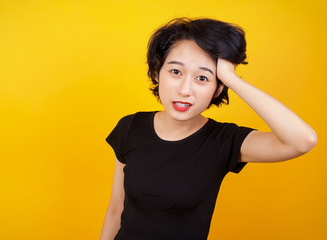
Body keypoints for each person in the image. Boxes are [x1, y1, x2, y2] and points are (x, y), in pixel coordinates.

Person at [99, 17, 317, 240]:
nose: (185, 90)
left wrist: (231, 78)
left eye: (202, 78)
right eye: (176, 72)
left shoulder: (224, 140)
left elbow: (303, 140)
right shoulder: (130, 127)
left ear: (217, 89)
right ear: (157, 73)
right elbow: (116, 208)